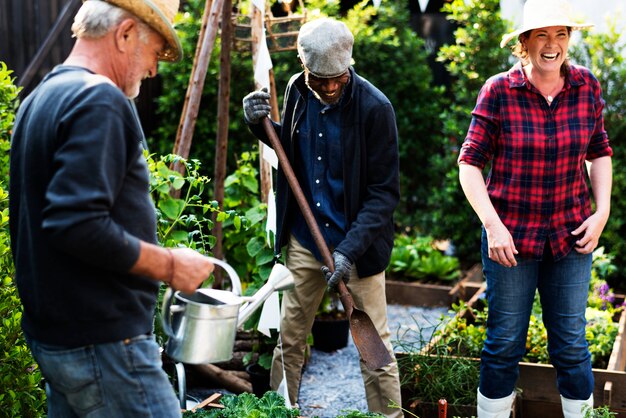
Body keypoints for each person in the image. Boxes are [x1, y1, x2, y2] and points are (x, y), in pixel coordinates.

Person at [9, 1, 215, 416]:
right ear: (123, 34)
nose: (155, 69)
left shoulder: (40, 98)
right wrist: (172, 265)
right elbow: (77, 224)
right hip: (104, 345)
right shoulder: (98, 99)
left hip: (57, 339)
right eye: (156, 51)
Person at [457, 0, 613, 417]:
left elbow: (599, 151)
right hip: (511, 241)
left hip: (571, 236)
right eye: (542, 35)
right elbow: (469, 163)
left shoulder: (586, 86)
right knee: (505, 341)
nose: (552, 44)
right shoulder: (499, 90)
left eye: (561, 34)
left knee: (571, 344)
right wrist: (493, 226)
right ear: (524, 43)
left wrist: (602, 213)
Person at [242, 18, 403, 418]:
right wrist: (259, 126)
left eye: (337, 78)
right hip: (305, 240)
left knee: (375, 348)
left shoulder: (375, 108)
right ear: (303, 64)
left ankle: (390, 416)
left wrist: (348, 251)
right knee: (290, 340)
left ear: (349, 64)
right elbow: (293, 156)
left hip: (357, 246)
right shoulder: (298, 91)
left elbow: (384, 194)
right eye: (320, 79)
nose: (329, 87)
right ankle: (279, 411)